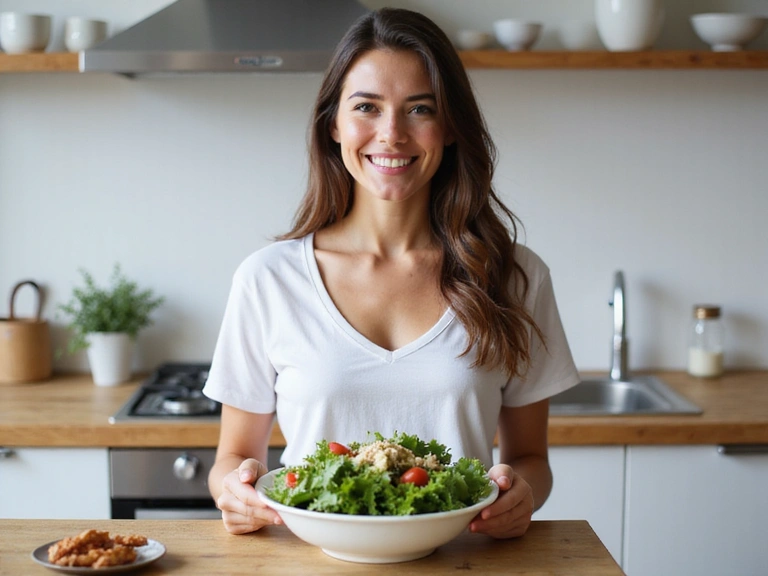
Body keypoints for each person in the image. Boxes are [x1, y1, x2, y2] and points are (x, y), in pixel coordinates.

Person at [203, 7, 579, 540]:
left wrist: (521, 496)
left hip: (461, 564)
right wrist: (234, 492)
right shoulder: (268, 279)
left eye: (419, 108)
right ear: (333, 123)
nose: (392, 133)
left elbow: (529, 459)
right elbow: (234, 458)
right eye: (367, 107)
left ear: (449, 127)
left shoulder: (514, 277)